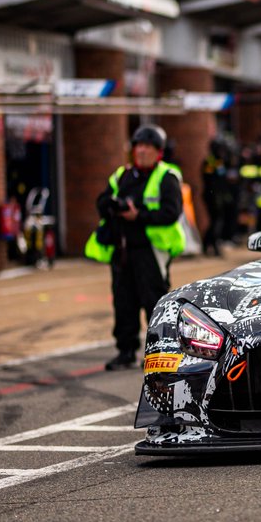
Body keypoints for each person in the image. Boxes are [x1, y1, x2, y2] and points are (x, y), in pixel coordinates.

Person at [86, 124, 186, 371]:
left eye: (147, 147)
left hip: (150, 251)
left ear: (158, 152)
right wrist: (111, 206)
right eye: (138, 146)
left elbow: (170, 213)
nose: (141, 151)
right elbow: (101, 201)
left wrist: (138, 215)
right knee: (124, 301)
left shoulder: (167, 176)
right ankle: (126, 350)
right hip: (123, 250)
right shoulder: (122, 175)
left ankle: (159, 352)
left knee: (154, 300)